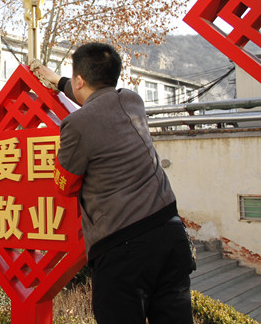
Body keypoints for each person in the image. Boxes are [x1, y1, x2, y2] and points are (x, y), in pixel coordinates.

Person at [36, 42, 194, 324]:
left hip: (124, 248)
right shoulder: (133, 101)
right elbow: (97, 98)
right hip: (170, 234)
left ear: (80, 79)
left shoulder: (76, 124)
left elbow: (66, 184)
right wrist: (57, 80)